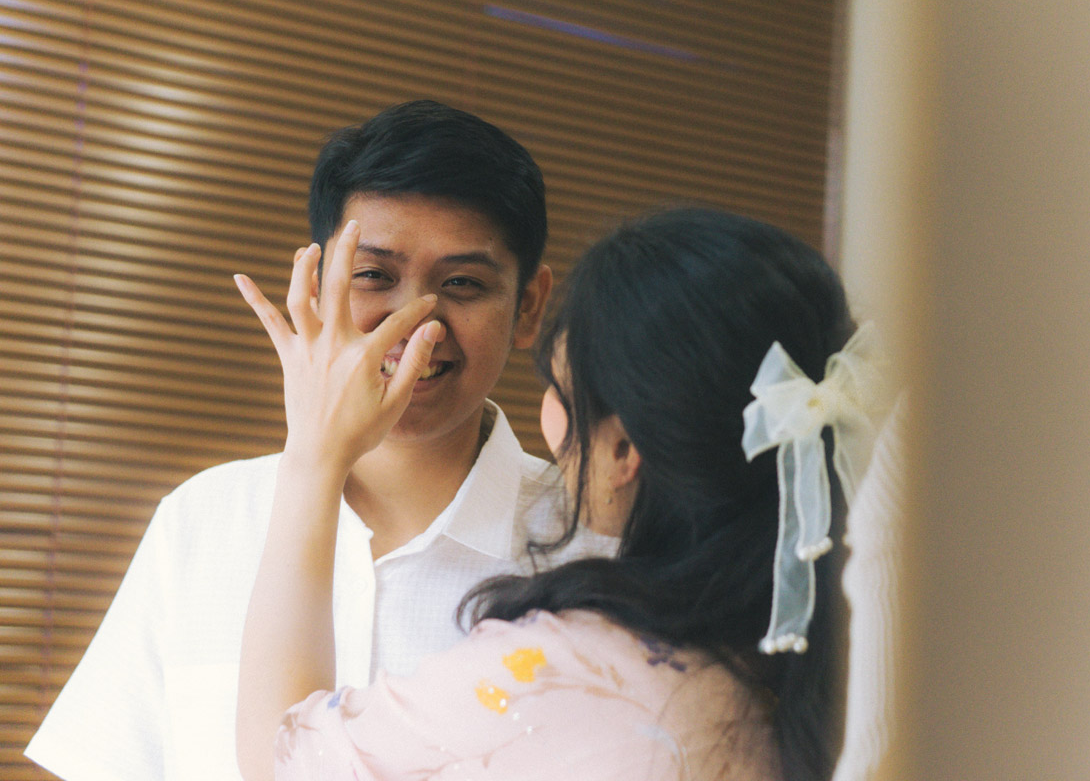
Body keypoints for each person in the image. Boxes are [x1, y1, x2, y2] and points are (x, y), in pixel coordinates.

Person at [26, 100, 616, 781]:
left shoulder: (600, 548)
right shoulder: (203, 519)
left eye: (461, 284)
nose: (412, 323)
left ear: (529, 307)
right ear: (315, 286)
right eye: (374, 276)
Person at [234, 206, 891, 780]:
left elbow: (281, 759)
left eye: (557, 389)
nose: (417, 324)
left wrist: (314, 455)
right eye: (376, 275)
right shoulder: (850, 668)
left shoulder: (567, 672)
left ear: (623, 448)